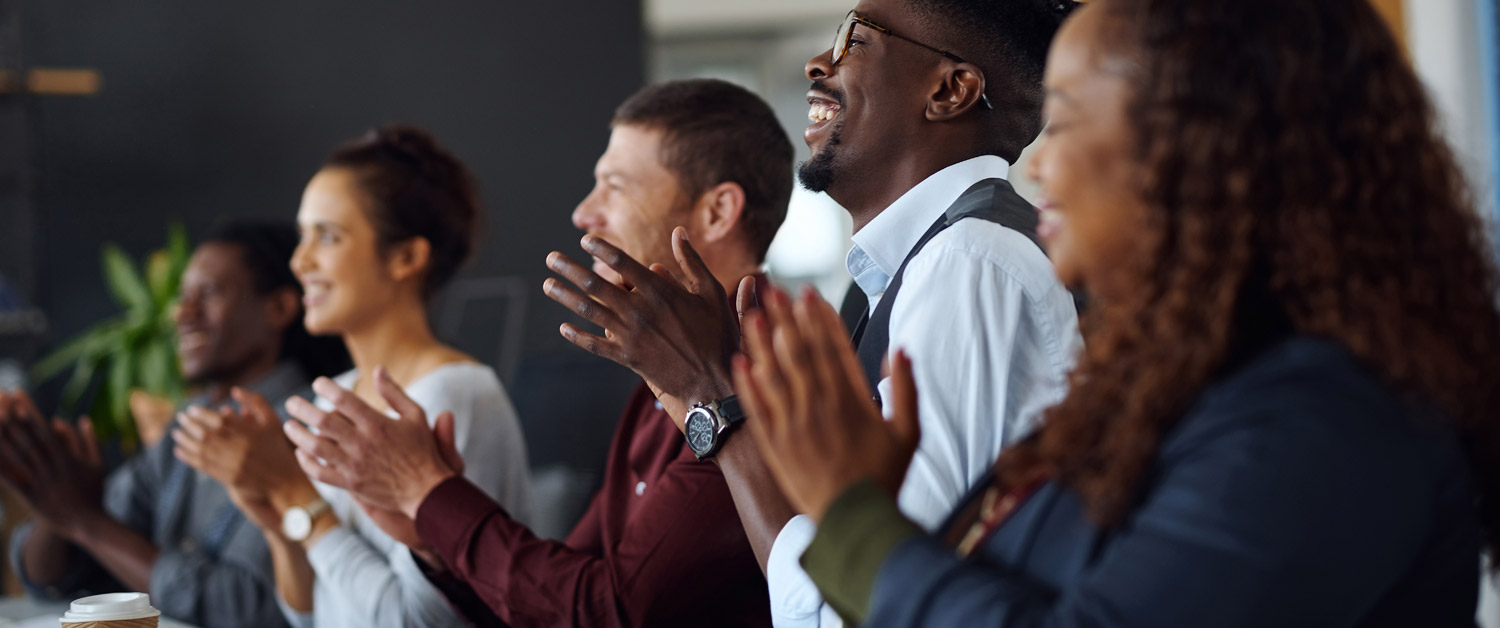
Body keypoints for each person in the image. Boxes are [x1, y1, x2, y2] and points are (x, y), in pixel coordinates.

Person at [738, 0, 1500, 626]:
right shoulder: (1164, 385)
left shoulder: (1322, 415)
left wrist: (855, 520)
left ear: (1203, 147)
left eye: (1068, 120)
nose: (1043, 163)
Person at [539, 1, 1081, 626]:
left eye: (856, 40)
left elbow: (861, 607)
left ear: (950, 89)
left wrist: (710, 398)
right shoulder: (922, 268)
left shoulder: (968, 261)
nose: (818, 63)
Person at [278, 79, 793, 627]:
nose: (583, 212)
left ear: (716, 213)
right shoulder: (664, 364)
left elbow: (609, 613)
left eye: (614, 187)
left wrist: (429, 492)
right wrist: (433, 539)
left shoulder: (766, 364)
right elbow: (560, 593)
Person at [171, 125, 532, 628]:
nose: (301, 262)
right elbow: (310, 616)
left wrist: (300, 499)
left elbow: (417, 623)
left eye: (328, 236)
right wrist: (276, 517)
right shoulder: (333, 399)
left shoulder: (454, 396)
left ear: (406, 257)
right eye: (302, 236)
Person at [1, 221, 348, 628]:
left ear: (278, 308)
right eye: (183, 297)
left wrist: (85, 521)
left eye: (209, 293)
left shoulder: (309, 427)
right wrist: (55, 506)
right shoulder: (187, 422)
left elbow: (248, 610)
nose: (182, 313)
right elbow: (55, 577)